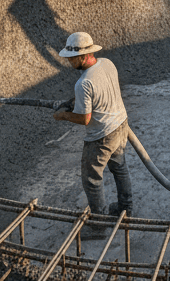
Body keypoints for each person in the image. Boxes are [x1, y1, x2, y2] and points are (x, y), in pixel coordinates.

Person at [53, 32, 134, 233]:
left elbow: (84, 119)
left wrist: (62, 116)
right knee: (119, 168)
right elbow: (103, 90)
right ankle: (126, 209)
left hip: (101, 137)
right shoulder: (107, 63)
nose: (69, 62)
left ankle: (98, 225)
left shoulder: (83, 83)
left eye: (71, 58)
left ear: (83, 55)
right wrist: (75, 103)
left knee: (91, 180)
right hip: (121, 124)